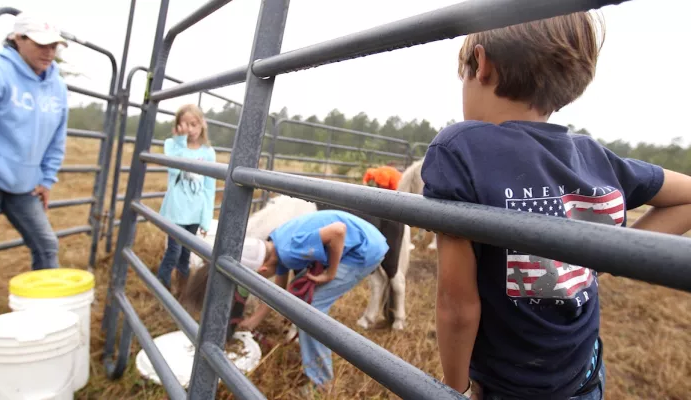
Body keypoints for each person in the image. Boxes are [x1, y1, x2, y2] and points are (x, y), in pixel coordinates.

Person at [421, 10, 691, 400]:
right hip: (584, 377)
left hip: (508, 388)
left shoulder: (461, 149)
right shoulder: (593, 156)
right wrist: (597, 260)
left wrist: (455, 388)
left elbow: (457, 305)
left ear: (480, 65)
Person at [0, 13, 69, 347]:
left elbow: (58, 137)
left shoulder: (57, 86)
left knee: (47, 245)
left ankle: (45, 317)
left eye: (54, 44)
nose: (49, 51)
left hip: (26, 186)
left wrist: (47, 178)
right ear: (18, 39)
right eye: (41, 44)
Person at [238, 209, 389, 393]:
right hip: (361, 240)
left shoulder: (287, 250)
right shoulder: (276, 244)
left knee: (310, 310)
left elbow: (338, 231)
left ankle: (322, 383)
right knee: (302, 303)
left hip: (363, 250)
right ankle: (312, 355)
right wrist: (254, 321)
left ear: (262, 269)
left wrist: (330, 273)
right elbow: (278, 291)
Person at [157, 104, 217, 298]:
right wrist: (180, 141)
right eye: (185, 124)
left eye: (194, 124)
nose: (190, 129)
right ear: (177, 126)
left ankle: (182, 293)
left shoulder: (208, 152)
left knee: (185, 255)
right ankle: (161, 289)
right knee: (173, 252)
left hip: (194, 213)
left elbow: (209, 188)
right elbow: (174, 170)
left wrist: (206, 219)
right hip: (175, 211)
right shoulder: (171, 145)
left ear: (202, 125)